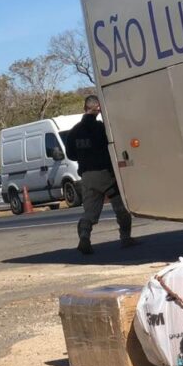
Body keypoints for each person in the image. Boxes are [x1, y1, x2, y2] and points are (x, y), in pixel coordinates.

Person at [65, 95, 134, 255]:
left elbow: (71, 155)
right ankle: (125, 238)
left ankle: (84, 237)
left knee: (89, 211)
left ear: (84, 108)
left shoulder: (74, 131)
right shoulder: (102, 128)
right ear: (99, 109)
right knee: (121, 207)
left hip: (87, 175)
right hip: (106, 174)